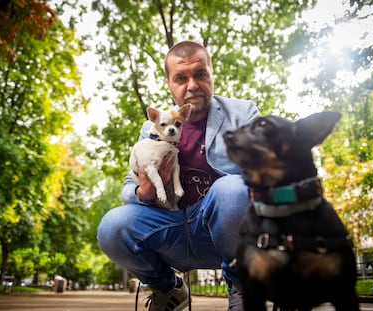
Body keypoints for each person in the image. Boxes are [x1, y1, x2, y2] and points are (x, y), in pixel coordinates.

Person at [97, 40, 260, 311]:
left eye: (200, 74)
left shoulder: (243, 113)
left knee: (231, 189)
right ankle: (168, 288)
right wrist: (143, 193)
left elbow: (267, 175)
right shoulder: (152, 125)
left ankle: (241, 285)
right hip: (170, 228)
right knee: (113, 226)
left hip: (226, 229)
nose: (192, 85)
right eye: (181, 78)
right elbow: (128, 188)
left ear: (211, 73)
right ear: (169, 83)